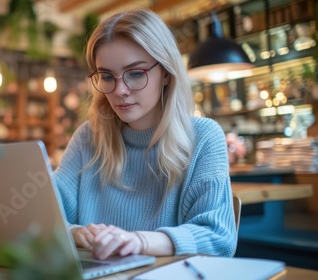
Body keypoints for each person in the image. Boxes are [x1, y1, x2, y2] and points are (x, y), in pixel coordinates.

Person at [53, 9, 236, 260]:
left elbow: (219, 237)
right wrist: (73, 232)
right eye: (107, 76)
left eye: (136, 73)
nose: (120, 90)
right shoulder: (88, 138)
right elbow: (42, 217)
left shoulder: (204, 137)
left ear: (166, 74)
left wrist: (138, 241)